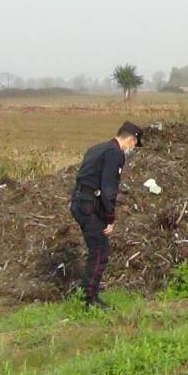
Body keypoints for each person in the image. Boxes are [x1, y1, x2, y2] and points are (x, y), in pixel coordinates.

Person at [70, 121, 143, 309]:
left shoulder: (96, 148)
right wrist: (110, 218)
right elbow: (108, 188)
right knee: (100, 251)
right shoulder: (115, 153)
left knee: (98, 248)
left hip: (79, 202)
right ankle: (89, 300)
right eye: (135, 143)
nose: (133, 148)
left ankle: (88, 294)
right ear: (130, 139)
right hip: (88, 206)